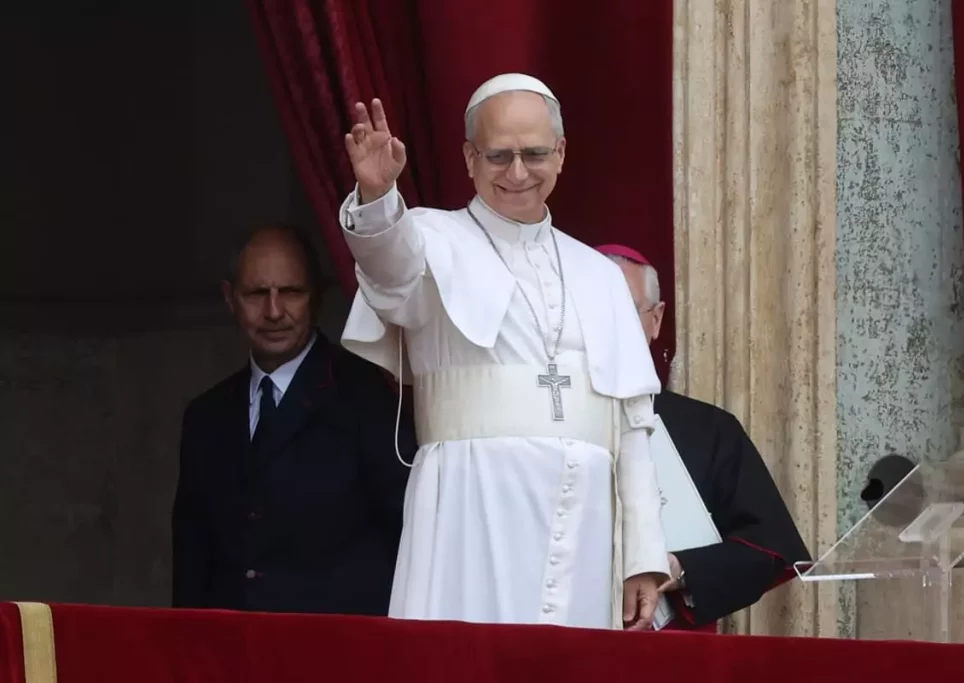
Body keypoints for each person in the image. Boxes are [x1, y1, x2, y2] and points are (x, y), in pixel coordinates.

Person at [337, 73, 669, 630]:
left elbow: (632, 429)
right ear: (469, 158)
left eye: (534, 154)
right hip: (470, 509)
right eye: (498, 156)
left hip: (585, 523)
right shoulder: (431, 237)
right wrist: (377, 198)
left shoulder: (601, 276)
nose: (518, 173)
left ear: (561, 154)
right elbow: (389, 273)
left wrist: (643, 557)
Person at [172, 226, 415, 615]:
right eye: (256, 294)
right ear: (229, 298)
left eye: (290, 292)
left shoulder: (369, 397)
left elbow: (408, 539)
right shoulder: (205, 418)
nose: (273, 312)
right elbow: (192, 565)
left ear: (316, 296)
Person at [598, 243, 810, 630]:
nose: (609, 326)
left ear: (656, 320)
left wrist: (678, 568)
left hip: (673, 655)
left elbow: (766, 549)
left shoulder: (709, 430)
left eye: (627, 310)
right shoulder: (535, 423)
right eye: (594, 311)